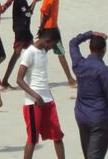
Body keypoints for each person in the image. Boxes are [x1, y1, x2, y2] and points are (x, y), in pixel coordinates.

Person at [70, 30, 108, 159]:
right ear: (104, 49)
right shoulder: (104, 70)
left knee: (89, 155)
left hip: (81, 117)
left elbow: (73, 43)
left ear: (90, 48)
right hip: (99, 119)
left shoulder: (79, 64)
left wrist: (89, 34)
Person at [16, 28, 66, 159]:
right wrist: (36, 96)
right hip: (33, 103)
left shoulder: (43, 51)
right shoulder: (29, 53)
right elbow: (19, 79)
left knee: (58, 135)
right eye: (52, 45)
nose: (51, 48)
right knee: (32, 139)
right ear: (48, 41)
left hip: (48, 100)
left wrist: (49, 96)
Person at [2, 0, 42, 89]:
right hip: (21, 30)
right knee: (17, 54)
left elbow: (26, 11)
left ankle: (33, 79)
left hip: (24, 30)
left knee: (32, 52)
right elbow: (28, 14)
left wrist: (34, 1)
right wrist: (35, 1)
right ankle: (5, 80)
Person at [39, 0, 77, 86]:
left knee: (42, 53)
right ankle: (70, 79)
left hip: (50, 28)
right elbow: (45, 12)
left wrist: (42, 27)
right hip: (52, 30)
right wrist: (42, 27)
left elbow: (43, 11)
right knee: (60, 53)